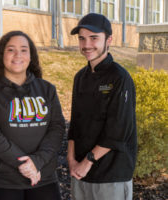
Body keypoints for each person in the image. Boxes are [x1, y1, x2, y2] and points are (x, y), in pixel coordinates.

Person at [0, 30, 65, 200]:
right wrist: (24, 164)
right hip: (3, 179)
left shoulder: (46, 89)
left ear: (31, 56)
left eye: (23, 50)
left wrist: (37, 162)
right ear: (1, 54)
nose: (17, 55)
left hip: (42, 175)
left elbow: (57, 128)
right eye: (11, 49)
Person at [66, 13, 137, 200]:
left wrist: (87, 162)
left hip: (111, 175)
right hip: (80, 173)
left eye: (94, 38)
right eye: (82, 38)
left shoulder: (120, 78)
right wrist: (71, 160)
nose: (86, 45)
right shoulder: (80, 77)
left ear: (109, 40)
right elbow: (75, 124)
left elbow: (118, 131)